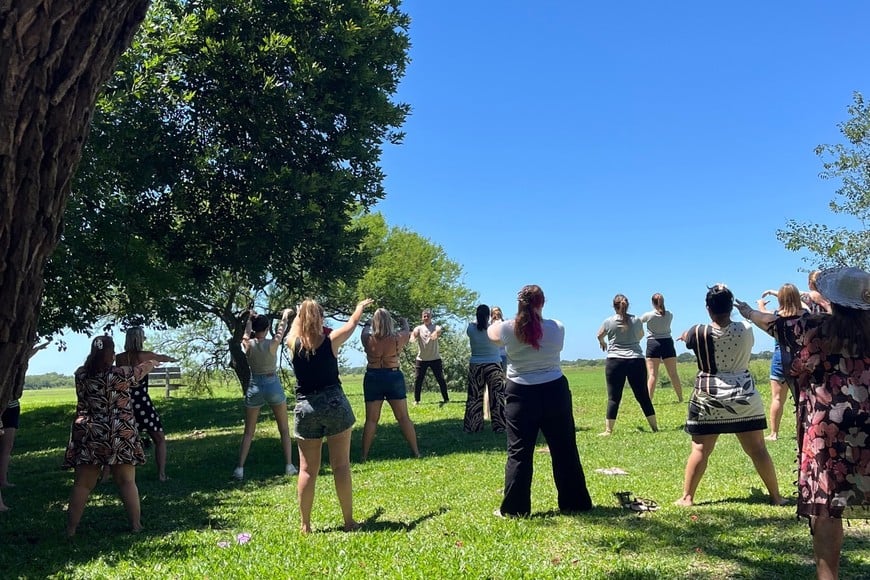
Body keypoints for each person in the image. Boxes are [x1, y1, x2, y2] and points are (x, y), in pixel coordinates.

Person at [737, 267, 869, 580]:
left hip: (827, 428)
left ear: (833, 299)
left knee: (825, 505)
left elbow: (769, 322)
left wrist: (747, 310)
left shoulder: (809, 327)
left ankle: (828, 576)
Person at [675, 284, 786, 507]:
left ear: (708, 309)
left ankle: (687, 497)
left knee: (700, 449)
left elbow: (688, 338)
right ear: (731, 307)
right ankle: (776, 496)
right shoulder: (746, 329)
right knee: (758, 450)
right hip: (743, 395)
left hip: (709, 397)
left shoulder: (697, 331)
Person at [488, 285, 592, 517]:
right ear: (542, 303)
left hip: (520, 393)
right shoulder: (557, 328)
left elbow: (492, 335)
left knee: (519, 452)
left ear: (519, 304)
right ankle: (575, 502)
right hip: (555, 390)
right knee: (564, 448)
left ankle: (515, 509)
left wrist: (496, 320)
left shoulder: (506, 328)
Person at [286, 297, 373, 534]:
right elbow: (352, 324)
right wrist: (359, 308)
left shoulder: (293, 344)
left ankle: (305, 525)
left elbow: (294, 329)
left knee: (306, 470)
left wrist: (299, 314)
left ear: (301, 319)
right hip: (334, 404)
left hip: (306, 408)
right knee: (341, 465)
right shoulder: (331, 341)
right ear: (321, 319)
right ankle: (348, 521)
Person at [63, 335, 158, 536]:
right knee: (126, 481)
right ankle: (136, 525)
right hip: (120, 432)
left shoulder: (81, 375)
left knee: (82, 484)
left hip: (91, 432)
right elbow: (140, 371)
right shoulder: (121, 374)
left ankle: (71, 530)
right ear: (112, 354)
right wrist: (152, 361)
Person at [233, 308, 297, 480]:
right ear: (267, 328)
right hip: (272, 384)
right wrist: (284, 316)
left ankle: (240, 468)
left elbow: (246, 335)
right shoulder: (272, 344)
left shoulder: (248, 344)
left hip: (255, 385)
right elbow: (281, 330)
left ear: (254, 328)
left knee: (248, 432)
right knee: (283, 428)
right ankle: (289, 465)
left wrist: (248, 320)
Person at [115, 327, 178, 481]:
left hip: (125, 401)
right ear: (139, 339)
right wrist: (171, 359)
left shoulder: (120, 357)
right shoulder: (146, 355)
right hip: (141, 401)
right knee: (159, 437)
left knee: (121, 439)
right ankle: (162, 474)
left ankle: (108, 476)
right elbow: (162, 358)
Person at [360, 308, 420, 461]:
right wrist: (404, 321)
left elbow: (365, 329)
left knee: (371, 419)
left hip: (373, 376)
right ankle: (416, 452)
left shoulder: (367, 338)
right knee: (403, 417)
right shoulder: (397, 338)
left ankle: (364, 455)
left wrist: (368, 322)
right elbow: (407, 330)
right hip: (393, 376)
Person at [596, 294, 658, 435]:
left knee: (614, 397)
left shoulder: (608, 321)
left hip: (614, 361)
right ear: (627, 305)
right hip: (636, 359)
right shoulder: (636, 320)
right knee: (642, 395)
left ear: (614, 306)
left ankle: (608, 430)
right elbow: (640, 335)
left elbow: (599, 335)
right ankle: (655, 428)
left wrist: (603, 342)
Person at [756, 283, 806, 441]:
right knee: (801, 399)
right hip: (800, 359)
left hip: (780, 359)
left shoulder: (776, 315)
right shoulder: (805, 314)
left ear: (780, 299)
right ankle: (803, 430)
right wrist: (776, 292)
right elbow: (803, 304)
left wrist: (761, 305)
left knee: (777, 398)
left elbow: (762, 314)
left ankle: (774, 433)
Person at [0, 340, 49, 500]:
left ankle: (3, 480)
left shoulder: (15, 362)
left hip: (12, 406)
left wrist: (37, 348)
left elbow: (25, 356)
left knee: (8, 445)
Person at [464, 304, 506, 433]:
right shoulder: (493, 329)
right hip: (494, 364)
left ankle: (473, 426)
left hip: (476, 364)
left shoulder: (471, 328)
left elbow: (473, 324)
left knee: (475, 396)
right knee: (497, 396)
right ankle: (500, 426)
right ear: (489, 316)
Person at [639, 293, 684, 402]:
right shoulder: (669, 315)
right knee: (673, 374)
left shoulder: (648, 315)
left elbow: (638, 322)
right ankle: (680, 398)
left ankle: (648, 400)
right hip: (667, 343)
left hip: (653, 343)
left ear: (652, 303)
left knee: (653, 374)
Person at [410, 309, 450, 405]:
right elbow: (414, 333)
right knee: (418, 380)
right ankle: (417, 400)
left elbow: (439, 330)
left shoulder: (435, 327)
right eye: (424, 316)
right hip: (421, 359)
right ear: (422, 317)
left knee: (440, 379)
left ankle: (446, 399)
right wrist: (413, 337)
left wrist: (436, 333)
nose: (426, 317)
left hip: (435, 359)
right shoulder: (419, 328)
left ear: (431, 317)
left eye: (428, 316)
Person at [483, 306, 507, 421]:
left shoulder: (488, 326)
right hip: (500, 356)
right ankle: (495, 412)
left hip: (495, 356)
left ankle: (487, 414)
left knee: (490, 386)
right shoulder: (504, 325)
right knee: (504, 384)